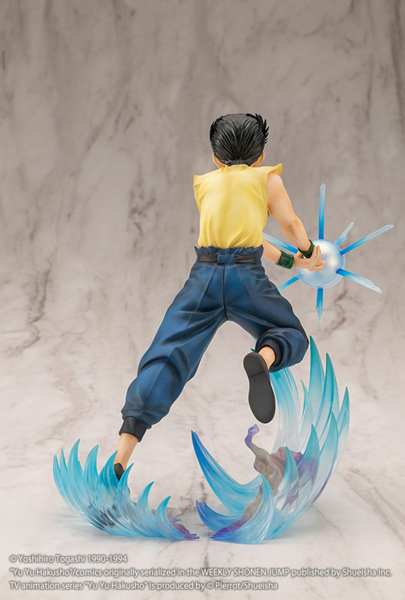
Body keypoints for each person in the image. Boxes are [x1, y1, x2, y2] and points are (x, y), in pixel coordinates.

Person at [113, 112, 325, 480]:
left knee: (167, 355)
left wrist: (290, 262)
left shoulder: (205, 184)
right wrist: (308, 252)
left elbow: (243, 234)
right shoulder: (267, 179)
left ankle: (120, 455)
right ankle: (264, 358)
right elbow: (288, 224)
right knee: (290, 333)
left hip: (205, 278)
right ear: (261, 155)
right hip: (245, 277)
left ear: (215, 157)